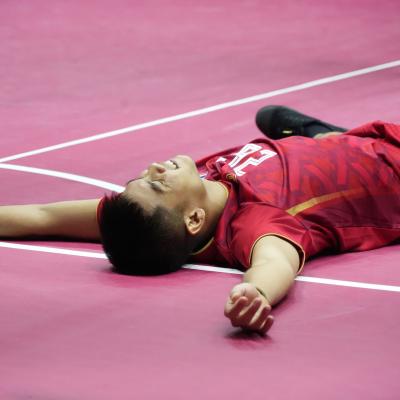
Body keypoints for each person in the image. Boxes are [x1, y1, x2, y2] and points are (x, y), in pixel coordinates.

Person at [1, 106, 400, 335]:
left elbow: (42, 216)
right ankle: (322, 135)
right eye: (157, 183)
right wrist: (255, 293)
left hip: (347, 143)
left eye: (141, 179)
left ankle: (322, 135)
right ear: (194, 220)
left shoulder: (148, 216)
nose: (154, 168)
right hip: (391, 163)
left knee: (281, 122)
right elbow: (274, 261)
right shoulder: (256, 221)